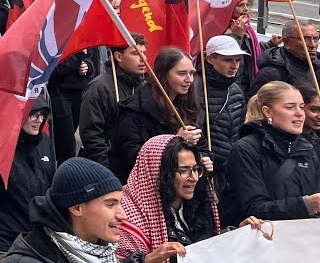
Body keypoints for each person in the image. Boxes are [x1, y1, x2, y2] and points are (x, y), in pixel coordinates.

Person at [115, 135, 258, 261]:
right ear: (159, 173)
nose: (194, 178)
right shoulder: (126, 218)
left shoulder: (196, 204)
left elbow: (201, 249)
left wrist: (236, 234)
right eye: (184, 171)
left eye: (196, 169)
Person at [1, 158, 144, 263]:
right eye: (110, 204)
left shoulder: (104, 251)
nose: (123, 215)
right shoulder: (28, 260)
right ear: (77, 208)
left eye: (120, 203)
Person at [0, 95, 55, 258]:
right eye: (34, 114)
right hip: (4, 245)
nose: (39, 120)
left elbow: (51, 187)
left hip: (37, 241)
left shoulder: (44, 142)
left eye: (43, 114)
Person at [226, 81, 320, 222]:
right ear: (267, 111)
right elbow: (253, 208)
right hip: (266, 238)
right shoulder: (245, 149)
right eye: (290, 107)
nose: (300, 114)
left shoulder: (308, 149)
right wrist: (306, 204)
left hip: (304, 238)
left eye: (301, 107)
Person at [109, 47, 203, 181]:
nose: (189, 79)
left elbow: (201, 142)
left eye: (191, 73)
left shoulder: (188, 105)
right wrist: (175, 142)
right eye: (182, 73)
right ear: (163, 75)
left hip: (179, 184)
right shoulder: (134, 110)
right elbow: (134, 157)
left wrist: (204, 159)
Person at [79, 35, 146, 167]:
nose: (143, 58)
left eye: (144, 53)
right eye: (135, 53)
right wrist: (109, 169)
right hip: (109, 167)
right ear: (118, 57)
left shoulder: (146, 87)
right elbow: (91, 134)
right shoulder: (99, 88)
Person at [195, 34, 247, 201]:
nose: (234, 66)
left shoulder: (236, 91)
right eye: (228, 60)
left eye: (237, 60)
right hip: (206, 171)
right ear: (211, 59)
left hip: (231, 171)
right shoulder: (195, 90)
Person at [47, 47, 97, 164]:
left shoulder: (85, 35)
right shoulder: (57, 38)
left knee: (73, 135)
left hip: (81, 93)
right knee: (67, 144)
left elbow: (93, 61)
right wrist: (78, 56)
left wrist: (88, 67)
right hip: (61, 94)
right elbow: (56, 71)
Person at [250, 20, 320, 94]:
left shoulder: (317, 65)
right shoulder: (273, 73)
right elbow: (255, 103)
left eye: (316, 39)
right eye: (305, 39)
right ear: (286, 42)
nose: (313, 45)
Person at [225, 0, 263, 93]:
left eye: (247, 5)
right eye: (240, 5)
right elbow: (227, 56)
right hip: (231, 86)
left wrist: (271, 44)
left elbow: (250, 52)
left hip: (247, 84)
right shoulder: (219, 28)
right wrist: (236, 36)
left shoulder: (247, 28)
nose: (246, 9)